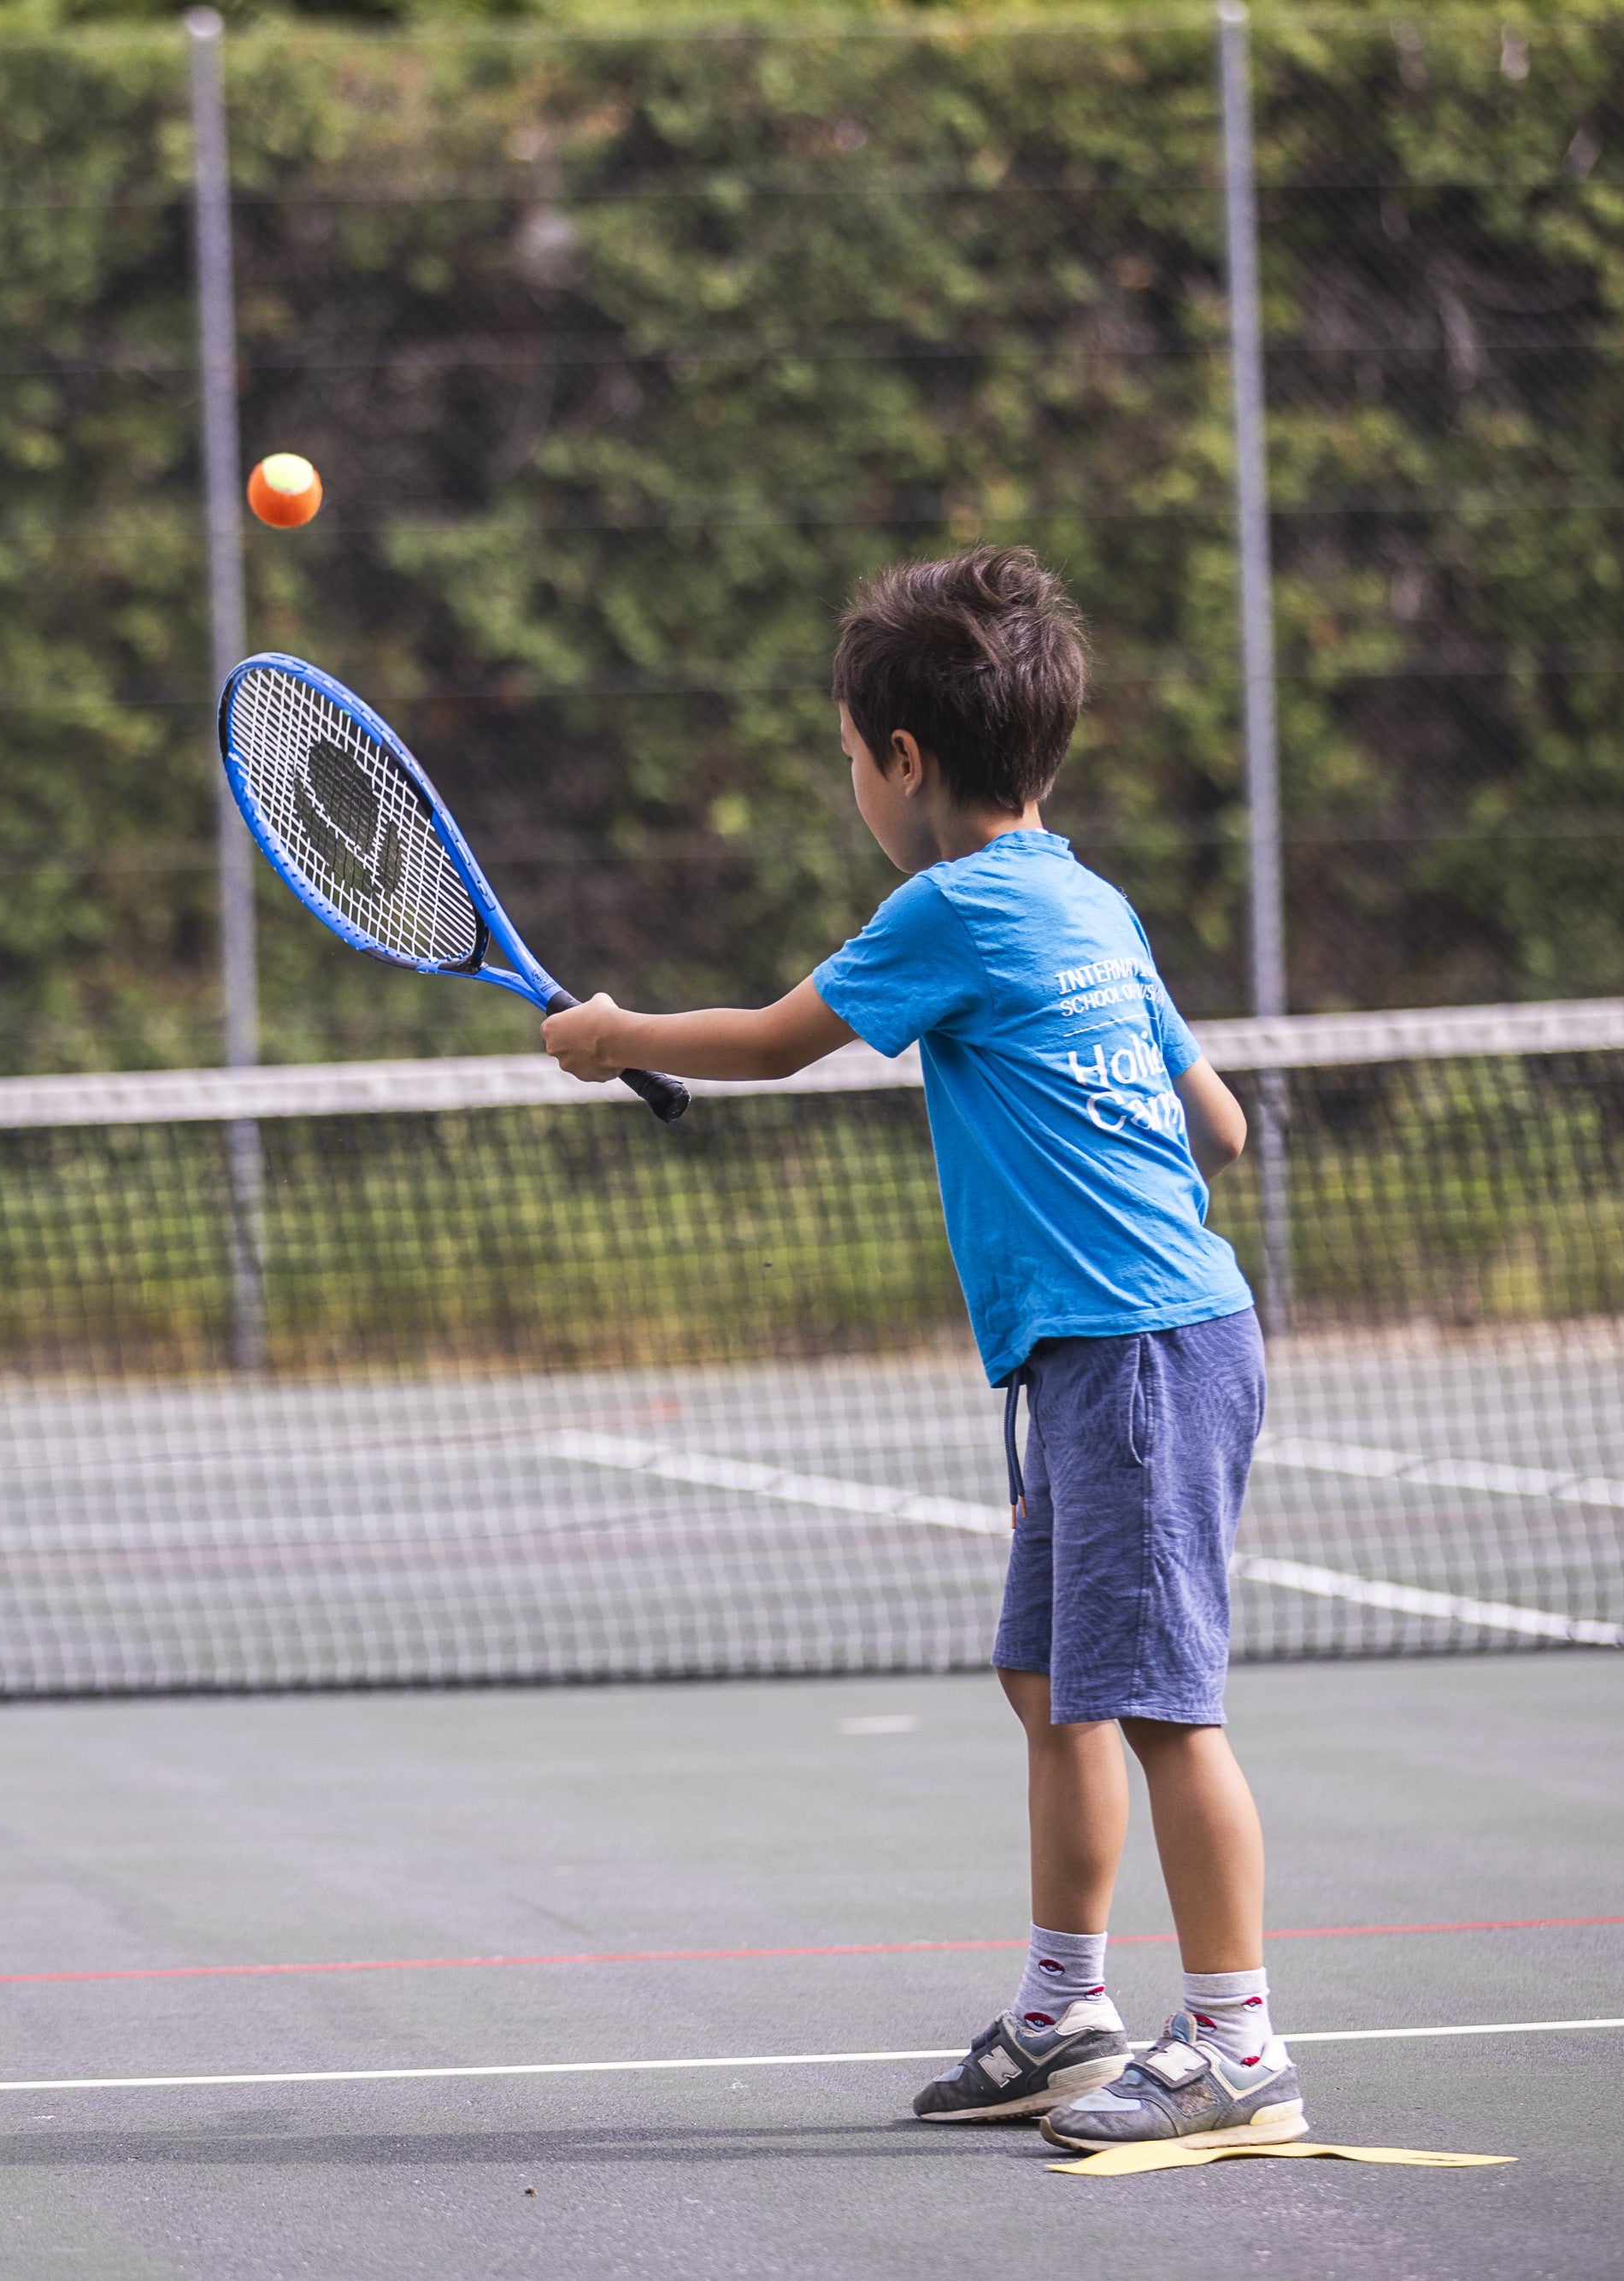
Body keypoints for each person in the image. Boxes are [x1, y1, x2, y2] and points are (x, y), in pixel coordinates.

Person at [540, 549, 1301, 2154]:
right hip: (1131, 1344)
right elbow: (1215, 1124)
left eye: (843, 758)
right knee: (1050, 1680)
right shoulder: (1090, 899)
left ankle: (1236, 2038)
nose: (849, 788)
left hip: (1135, 1357)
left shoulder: (944, 904)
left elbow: (763, 1040)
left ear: (900, 758)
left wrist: (609, 1037)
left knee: (1161, 1705)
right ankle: (1062, 2009)